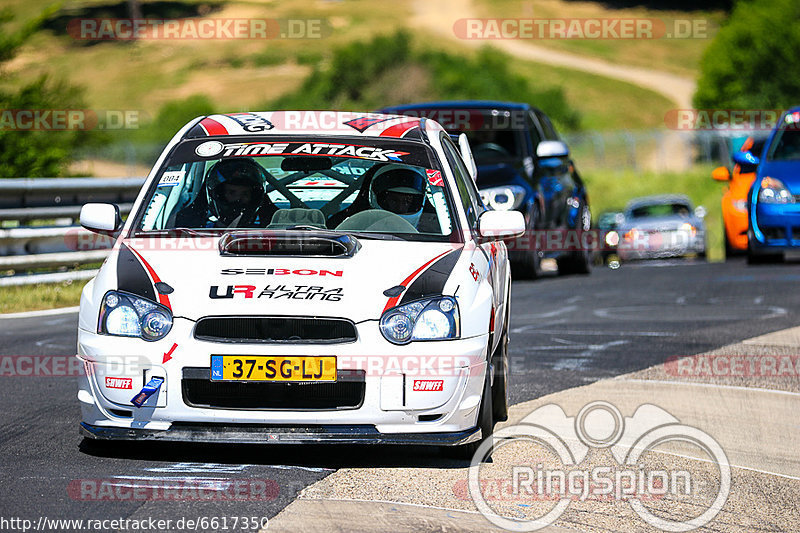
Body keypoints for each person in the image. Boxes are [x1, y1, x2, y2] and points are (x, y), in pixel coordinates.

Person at [176, 158, 276, 228]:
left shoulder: (278, 231)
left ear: (255, 197)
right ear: (218, 195)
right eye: (232, 193)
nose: (239, 199)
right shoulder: (189, 232)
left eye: (245, 194)